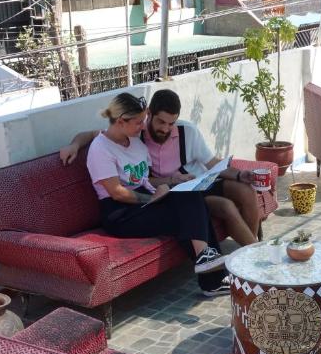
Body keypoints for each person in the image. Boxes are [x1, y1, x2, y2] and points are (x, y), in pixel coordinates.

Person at [59, 90, 262, 247]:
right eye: (161, 122)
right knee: (222, 206)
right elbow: (96, 136)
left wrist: (239, 174)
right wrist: (74, 145)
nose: (165, 128)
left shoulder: (186, 131)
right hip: (170, 191)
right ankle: (245, 257)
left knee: (245, 190)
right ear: (149, 115)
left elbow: (211, 163)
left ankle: (254, 250)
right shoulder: (134, 133)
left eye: (171, 123)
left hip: (195, 182)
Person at [81, 92, 228, 294]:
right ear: (122, 121)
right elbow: (117, 193)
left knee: (190, 194)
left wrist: (169, 182)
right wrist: (151, 198)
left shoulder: (133, 141)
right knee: (187, 214)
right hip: (121, 213)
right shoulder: (101, 149)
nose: (143, 127)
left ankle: (206, 259)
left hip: (143, 202)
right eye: (139, 122)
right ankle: (212, 278)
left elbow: (144, 179)